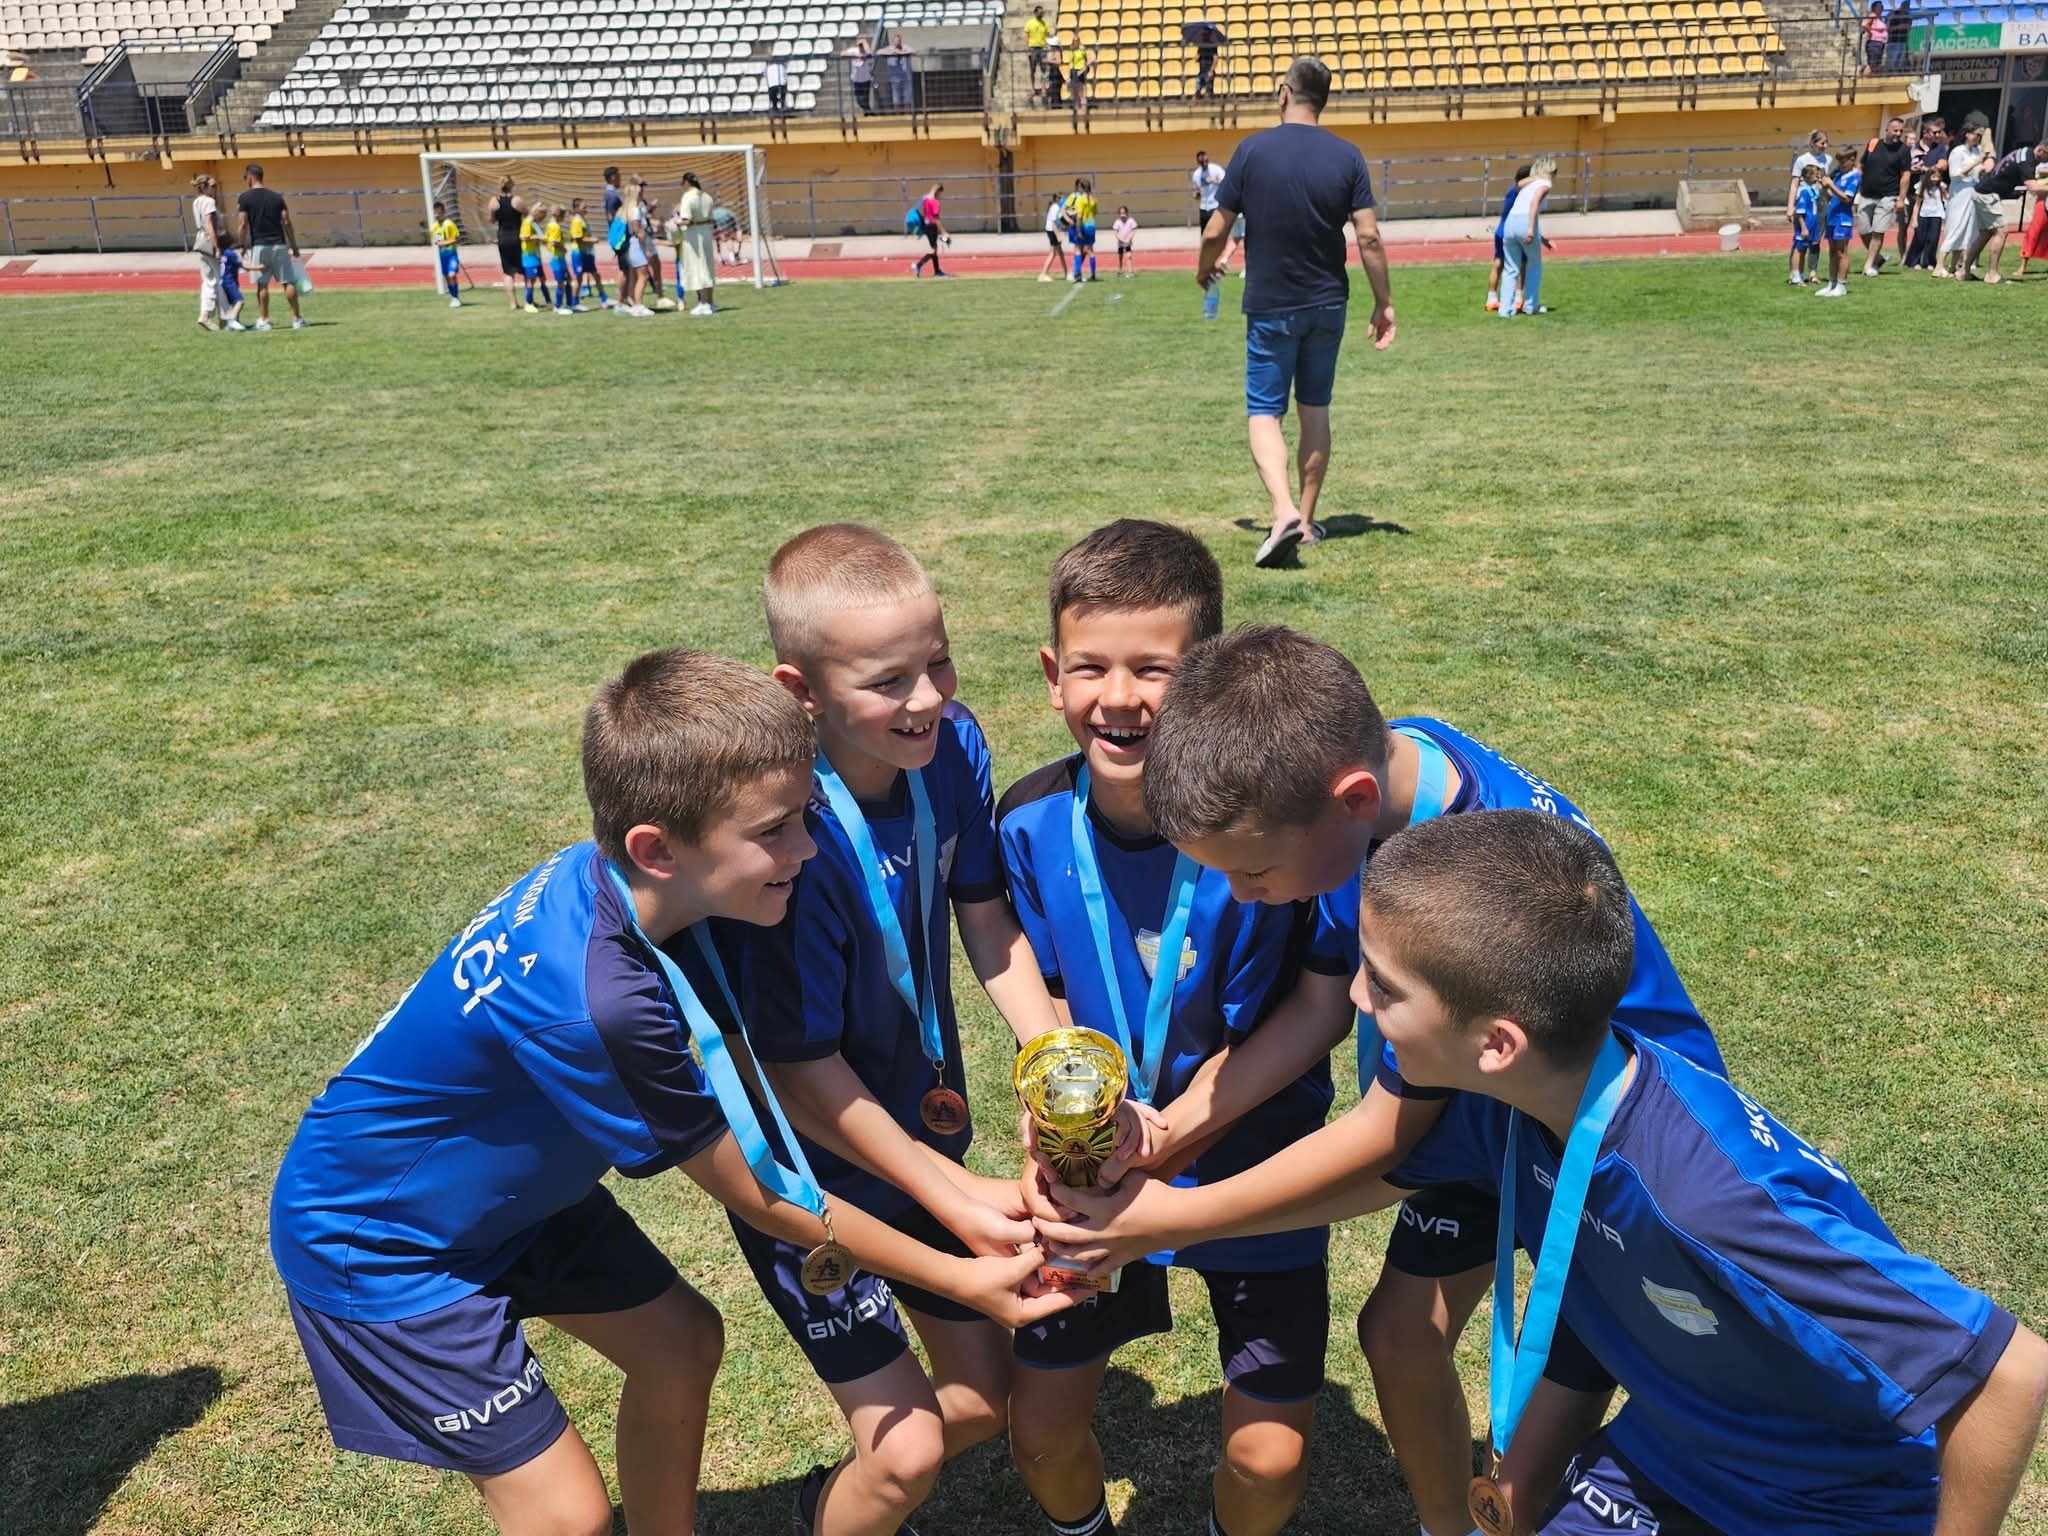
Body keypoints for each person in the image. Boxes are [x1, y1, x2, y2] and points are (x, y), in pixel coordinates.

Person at [1053, 808, 2048, 1536]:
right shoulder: (1518, 1100)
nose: (1353, 999)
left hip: (1825, 1502)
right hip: (1676, 1454)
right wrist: (1164, 1219)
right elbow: (1378, 1180)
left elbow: (2008, 1373)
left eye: (1384, 989)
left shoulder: (1705, 1197)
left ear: (1495, 1041)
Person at [268, 647, 1078, 1536]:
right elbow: (765, 1193)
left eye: (804, 817)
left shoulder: (646, 895)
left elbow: (774, 1091)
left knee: (681, 1344)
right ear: (656, 849)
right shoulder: (600, 1006)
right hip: (382, 1243)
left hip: (508, 1203)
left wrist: (961, 1194)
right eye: (775, 831)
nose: (807, 850)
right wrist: (962, 1277)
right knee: (570, 1519)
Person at [1025, 623, 1723, 1536]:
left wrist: (1172, 1219)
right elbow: (1325, 1008)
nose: (1244, 896)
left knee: (1537, 1445)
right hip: (1485, 1111)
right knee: (1399, 1334)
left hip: (1613, 1158)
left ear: (1350, 801)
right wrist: (1173, 1130)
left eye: (1254, 871)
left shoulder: (1454, 884)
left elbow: (1389, 1142)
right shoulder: (1390, 768)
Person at [1003, 524, 1350, 1536]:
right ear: (1051, 675)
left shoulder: (1281, 822)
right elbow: (1046, 994)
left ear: (1207, 677)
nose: (1119, 698)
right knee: (1041, 1435)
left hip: (1252, 1159)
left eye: (1153, 669)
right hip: (1093, 1170)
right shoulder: (1027, 822)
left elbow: (1319, 1005)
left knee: (1269, 1460)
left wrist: (1176, 1128)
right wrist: (1063, 1114)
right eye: (1090, 667)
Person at [737, 524, 1078, 1536]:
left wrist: (1051, 1054)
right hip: (805, 1169)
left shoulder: (953, 748)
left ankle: (820, 1506)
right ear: (800, 691)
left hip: (915, 1128)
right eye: (888, 682)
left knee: (980, 1399)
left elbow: (983, 914)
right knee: (909, 1451)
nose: (927, 698)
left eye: (938, 661)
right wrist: (956, 1196)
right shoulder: (783, 837)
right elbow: (800, 1073)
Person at [1202, 58, 1395, 570]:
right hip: (1328, 302)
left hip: (1272, 304)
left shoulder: (1252, 150)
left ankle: (1283, 510)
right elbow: (1369, 236)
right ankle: (1306, 522)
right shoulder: (1348, 155)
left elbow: (1216, 230)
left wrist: (1204, 269)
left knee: (1264, 411)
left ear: (1284, 93)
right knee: (1315, 409)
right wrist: (1384, 302)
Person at [235, 163, 304, 332]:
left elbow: (242, 224)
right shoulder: (277, 197)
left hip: (260, 246)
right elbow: (286, 222)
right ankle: (297, 319)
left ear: (251, 177)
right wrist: (294, 245)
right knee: (288, 282)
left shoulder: (244, 198)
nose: (245, 180)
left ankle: (264, 320)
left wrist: (242, 245)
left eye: (245, 177)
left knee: (262, 284)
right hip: (279, 244)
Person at [1967, 142, 2048, 282]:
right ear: (2041, 150)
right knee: (2001, 231)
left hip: (1982, 191)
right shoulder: (2027, 159)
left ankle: (1963, 271)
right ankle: (1992, 275)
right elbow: (2032, 187)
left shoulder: (2025, 152)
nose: (2046, 160)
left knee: (1985, 233)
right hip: (1987, 194)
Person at [1856, 115, 1913, 276]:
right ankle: (1878, 258)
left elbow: (1906, 175)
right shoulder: (1873, 144)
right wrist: (1855, 186)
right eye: (1895, 130)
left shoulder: (1903, 150)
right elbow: (1861, 165)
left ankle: (1869, 265)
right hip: (1866, 194)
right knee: (1863, 230)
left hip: (1888, 196)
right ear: (1887, 130)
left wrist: (1901, 199)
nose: (1898, 134)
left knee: (1878, 230)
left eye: (1901, 131)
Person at [1498, 154, 1553, 316]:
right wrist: (1530, 229)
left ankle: (1505, 310)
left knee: (1510, 268)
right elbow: (1534, 202)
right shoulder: (1545, 183)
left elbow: (1518, 185)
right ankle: (1530, 306)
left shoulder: (1528, 183)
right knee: (1534, 265)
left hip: (1510, 223)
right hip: (1524, 221)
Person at [1940, 122, 1993, 278]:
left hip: (1972, 194)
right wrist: (1976, 162)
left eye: (1980, 135)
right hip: (1959, 195)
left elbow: (1978, 172)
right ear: (1967, 134)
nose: (1978, 137)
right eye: (1976, 134)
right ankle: (1939, 266)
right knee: (1955, 228)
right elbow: (1954, 174)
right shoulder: (1958, 151)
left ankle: (1953, 266)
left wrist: (1983, 168)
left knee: (1966, 231)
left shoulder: (1977, 150)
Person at [1813, 146, 1860, 298]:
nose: (1840, 165)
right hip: (1832, 216)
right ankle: (1832, 283)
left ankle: (1841, 285)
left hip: (1843, 218)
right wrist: (1823, 187)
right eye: (1839, 161)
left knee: (1841, 252)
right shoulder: (1839, 175)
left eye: (1843, 161)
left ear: (1852, 160)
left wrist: (1831, 185)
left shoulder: (1855, 176)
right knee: (1832, 251)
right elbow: (1832, 195)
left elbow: (1847, 198)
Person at [1786, 129, 1830, 284]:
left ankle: (1813, 272)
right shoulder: (1802, 160)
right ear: (1812, 143)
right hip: (1805, 204)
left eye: (1826, 142)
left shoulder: (1828, 159)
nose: (1825, 146)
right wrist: (1790, 206)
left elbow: (1827, 182)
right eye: (1822, 143)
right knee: (1801, 239)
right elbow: (1794, 184)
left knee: (1816, 240)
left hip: (1820, 204)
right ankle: (1795, 273)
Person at [1484, 162, 1528, 311]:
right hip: (1512, 232)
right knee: (1521, 264)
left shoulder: (1512, 191)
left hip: (1502, 231)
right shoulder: (1520, 193)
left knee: (1499, 263)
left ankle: (1491, 299)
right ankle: (1518, 298)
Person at [675, 170, 719, 315]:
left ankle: (703, 303)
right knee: (708, 267)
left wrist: (676, 222)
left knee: (698, 268)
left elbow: (686, 219)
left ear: (686, 182)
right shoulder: (707, 196)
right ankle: (710, 302)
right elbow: (712, 219)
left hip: (694, 235)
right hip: (706, 233)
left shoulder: (688, 197)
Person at [191, 173, 227, 333]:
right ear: (205, 187)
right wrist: (217, 247)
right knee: (221, 279)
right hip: (209, 240)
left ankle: (206, 315)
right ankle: (225, 317)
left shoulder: (197, 201)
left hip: (200, 241)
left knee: (208, 280)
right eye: (213, 186)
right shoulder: (208, 201)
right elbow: (209, 224)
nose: (215, 189)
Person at [1903, 155, 1946, 268]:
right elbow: (1917, 205)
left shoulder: (1941, 187)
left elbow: (1946, 199)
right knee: (1920, 239)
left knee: (1933, 239)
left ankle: (1929, 262)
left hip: (1936, 215)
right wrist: (1914, 219)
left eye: (1938, 177)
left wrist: (1944, 191)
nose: (1935, 179)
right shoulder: (1922, 187)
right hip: (1924, 215)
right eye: (1933, 176)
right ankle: (1914, 261)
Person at [568, 197, 610, 309]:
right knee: (578, 278)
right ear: (577, 208)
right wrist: (592, 240)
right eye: (584, 207)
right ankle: (575, 303)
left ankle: (604, 299)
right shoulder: (577, 221)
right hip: (579, 253)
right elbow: (577, 239)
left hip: (587, 253)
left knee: (596, 275)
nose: (586, 209)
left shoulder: (582, 219)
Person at [1789, 161, 1824, 284]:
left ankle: (1801, 273)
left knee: (1804, 249)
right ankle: (1795, 275)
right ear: (1808, 176)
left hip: (1812, 223)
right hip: (1805, 224)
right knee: (1799, 249)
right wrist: (1803, 227)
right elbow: (1799, 212)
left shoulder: (1812, 189)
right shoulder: (1803, 191)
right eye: (1815, 174)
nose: (1818, 176)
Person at [911, 182, 949, 278]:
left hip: (926, 226)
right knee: (933, 250)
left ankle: (937, 271)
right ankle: (918, 265)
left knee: (934, 248)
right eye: (940, 193)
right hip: (932, 226)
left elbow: (922, 212)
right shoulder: (935, 202)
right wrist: (944, 232)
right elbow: (936, 219)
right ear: (938, 191)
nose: (940, 195)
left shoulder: (925, 199)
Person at [1065, 176, 1099, 282]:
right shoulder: (1094, 199)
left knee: (1078, 250)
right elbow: (1095, 213)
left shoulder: (1080, 199)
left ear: (1081, 187)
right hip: (1091, 225)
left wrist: (1079, 230)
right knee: (1090, 250)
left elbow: (1079, 216)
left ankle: (1077, 275)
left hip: (1082, 225)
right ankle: (1093, 275)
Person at [431, 199, 463, 308]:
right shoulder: (435, 227)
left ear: (443, 212)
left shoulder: (449, 224)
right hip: (443, 256)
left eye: (439, 212)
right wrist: (440, 243)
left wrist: (445, 242)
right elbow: (438, 242)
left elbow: (456, 238)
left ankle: (456, 298)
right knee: (447, 277)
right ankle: (453, 298)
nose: (437, 215)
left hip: (452, 255)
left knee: (452, 274)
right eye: (435, 212)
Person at [542, 206, 574, 315]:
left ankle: (569, 304)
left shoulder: (549, 225)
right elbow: (554, 242)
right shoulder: (555, 226)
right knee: (561, 282)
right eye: (563, 215)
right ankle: (558, 306)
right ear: (559, 215)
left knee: (568, 279)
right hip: (557, 258)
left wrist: (549, 248)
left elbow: (545, 240)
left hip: (558, 257)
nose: (564, 218)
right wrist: (563, 248)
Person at [517, 203, 547, 312]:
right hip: (529, 255)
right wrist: (537, 237)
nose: (543, 219)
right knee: (531, 279)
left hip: (536, 255)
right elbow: (523, 237)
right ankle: (528, 303)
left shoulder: (534, 223)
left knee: (540, 278)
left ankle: (545, 301)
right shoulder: (527, 222)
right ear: (537, 212)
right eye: (542, 215)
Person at [1038, 187, 1069, 282]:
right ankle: (1043, 275)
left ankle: (1067, 274)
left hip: (1052, 230)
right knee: (1053, 253)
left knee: (1060, 253)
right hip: (1052, 231)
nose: (1063, 200)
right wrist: (1058, 236)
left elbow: (1065, 214)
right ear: (1057, 199)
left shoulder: (1057, 207)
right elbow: (1054, 223)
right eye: (1061, 198)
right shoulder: (1055, 207)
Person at [883, 32, 913, 112]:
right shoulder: (889, 49)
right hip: (895, 78)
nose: (897, 42)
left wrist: (901, 52)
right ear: (893, 41)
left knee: (907, 98)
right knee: (896, 98)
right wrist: (892, 52)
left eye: (899, 41)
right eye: (896, 41)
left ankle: (908, 115)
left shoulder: (905, 47)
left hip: (906, 77)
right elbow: (878, 52)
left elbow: (913, 51)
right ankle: (898, 115)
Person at [1026, 5, 1049, 102]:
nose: (1041, 14)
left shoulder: (1044, 24)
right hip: (1033, 48)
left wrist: (1047, 46)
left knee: (1044, 70)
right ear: (1035, 12)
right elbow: (1027, 36)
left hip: (1042, 49)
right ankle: (1033, 88)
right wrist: (1027, 48)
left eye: (1042, 13)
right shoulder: (1029, 23)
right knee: (1032, 70)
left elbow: (1047, 35)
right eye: (1040, 12)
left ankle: (1043, 88)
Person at [846, 35, 874, 113]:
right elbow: (843, 53)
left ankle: (867, 112)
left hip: (866, 79)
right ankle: (868, 111)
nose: (861, 46)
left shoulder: (867, 51)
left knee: (865, 98)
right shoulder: (853, 50)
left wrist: (865, 44)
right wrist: (854, 55)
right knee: (859, 100)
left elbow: (870, 54)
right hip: (856, 79)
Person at [1860, 0, 1887, 73]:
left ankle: (1871, 77)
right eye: (1879, 6)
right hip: (1874, 43)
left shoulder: (1880, 18)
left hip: (1880, 43)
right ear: (1874, 8)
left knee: (1876, 64)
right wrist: (1871, 32)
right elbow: (1864, 24)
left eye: (1882, 6)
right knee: (1871, 64)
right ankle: (1864, 78)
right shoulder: (1872, 15)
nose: (1881, 8)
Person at [1111, 205, 1138, 275]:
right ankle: (1120, 270)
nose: (1122, 215)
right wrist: (1121, 239)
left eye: (1124, 213)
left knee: (1129, 256)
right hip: (1121, 242)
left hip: (1128, 241)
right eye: (1121, 213)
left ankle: (1130, 271)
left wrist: (1130, 238)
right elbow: (1115, 233)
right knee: (1120, 256)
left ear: (1127, 213)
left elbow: (1134, 230)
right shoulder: (1117, 222)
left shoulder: (1131, 220)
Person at [1066, 38, 1090, 112]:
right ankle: (1077, 106)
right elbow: (1070, 62)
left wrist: (1083, 69)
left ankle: (1083, 107)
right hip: (1073, 70)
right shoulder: (1071, 51)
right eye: (1074, 41)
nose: (1075, 43)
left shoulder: (1082, 50)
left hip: (1080, 70)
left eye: (1077, 41)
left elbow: (1086, 60)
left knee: (1081, 90)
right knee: (1074, 90)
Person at [765, 50, 789, 117]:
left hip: (772, 86)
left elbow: (765, 75)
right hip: (781, 85)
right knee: (783, 91)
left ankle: (775, 107)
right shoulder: (781, 66)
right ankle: (783, 105)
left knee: (773, 96)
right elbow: (785, 75)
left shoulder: (768, 67)